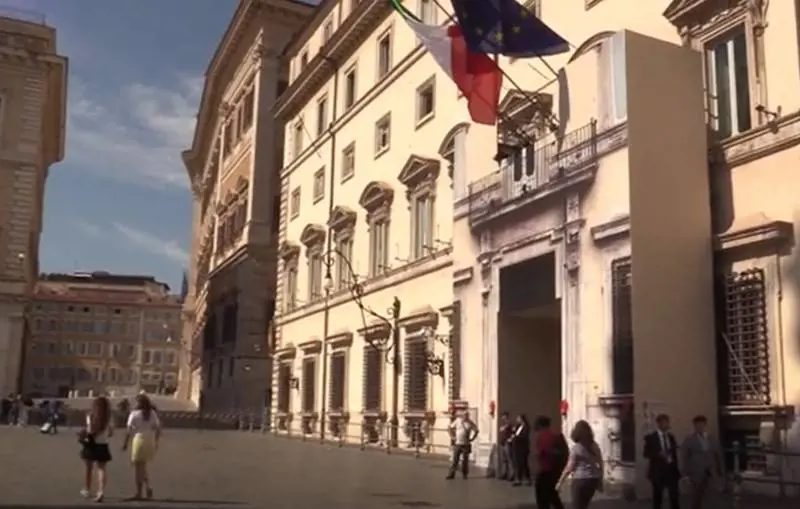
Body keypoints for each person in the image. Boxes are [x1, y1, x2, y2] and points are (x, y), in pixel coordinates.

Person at [555, 420, 604, 509]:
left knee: (577, 506)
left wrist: (560, 482)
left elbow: (569, 467)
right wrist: (600, 480)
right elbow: (600, 463)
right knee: (584, 505)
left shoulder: (576, 448)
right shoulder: (594, 445)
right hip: (593, 480)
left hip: (580, 480)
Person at [123, 393, 161, 500]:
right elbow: (158, 428)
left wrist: (125, 443)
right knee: (143, 467)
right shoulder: (152, 413)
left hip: (139, 440)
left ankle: (139, 493)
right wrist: (156, 441)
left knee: (138, 468)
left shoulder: (134, 414)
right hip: (149, 440)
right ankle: (148, 487)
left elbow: (129, 431)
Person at [682, 415, 722, 509]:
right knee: (696, 496)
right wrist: (685, 473)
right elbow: (684, 456)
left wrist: (719, 469)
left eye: (701, 424)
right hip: (696, 471)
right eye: (697, 425)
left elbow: (717, 453)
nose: (700, 426)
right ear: (694, 426)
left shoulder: (711, 438)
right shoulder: (690, 439)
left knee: (711, 494)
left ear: (705, 425)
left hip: (710, 470)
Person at [79, 396, 113, 502]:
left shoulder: (91, 415)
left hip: (91, 443)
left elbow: (90, 430)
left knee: (88, 468)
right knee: (101, 469)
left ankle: (87, 489)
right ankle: (101, 491)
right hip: (103, 444)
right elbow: (111, 432)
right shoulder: (109, 417)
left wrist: (83, 433)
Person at [644, 413, 681, 509]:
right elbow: (646, 454)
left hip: (671, 471)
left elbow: (674, 454)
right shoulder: (651, 438)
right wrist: (658, 454)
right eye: (664, 423)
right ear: (659, 424)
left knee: (674, 496)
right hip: (658, 472)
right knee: (658, 497)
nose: (666, 425)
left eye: (667, 422)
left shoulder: (671, 437)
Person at [534, 416, 568, 509]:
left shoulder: (541, 437)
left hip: (545, 470)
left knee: (542, 496)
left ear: (540, 426)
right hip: (556, 469)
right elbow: (565, 452)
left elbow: (540, 453)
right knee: (552, 494)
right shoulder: (557, 435)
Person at [446, 410, 479, 480]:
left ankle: (465, 474)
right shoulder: (458, 421)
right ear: (462, 415)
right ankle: (451, 474)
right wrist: (452, 436)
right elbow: (449, 428)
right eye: (464, 415)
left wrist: (472, 438)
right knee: (455, 460)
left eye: (467, 415)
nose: (465, 416)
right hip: (458, 443)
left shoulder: (470, 423)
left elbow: (476, 430)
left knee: (465, 460)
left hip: (466, 444)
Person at [510, 413, 532, 486]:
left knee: (523, 463)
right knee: (517, 463)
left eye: (518, 418)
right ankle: (518, 479)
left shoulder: (526, 427)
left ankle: (527, 479)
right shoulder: (517, 427)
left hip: (523, 447)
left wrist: (516, 437)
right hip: (516, 447)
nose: (517, 420)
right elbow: (514, 433)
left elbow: (524, 437)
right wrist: (513, 433)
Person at [497, 412, 515, 481]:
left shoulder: (510, 424)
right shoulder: (503, 424)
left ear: (506, 416)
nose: (502, 418)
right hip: (502, 443)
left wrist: (510, 439)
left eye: (503, 416)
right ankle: (504, 473)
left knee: (509, 459)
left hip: (507, 443)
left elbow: (513, 432)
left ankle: (512, 474)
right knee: (504, 460)